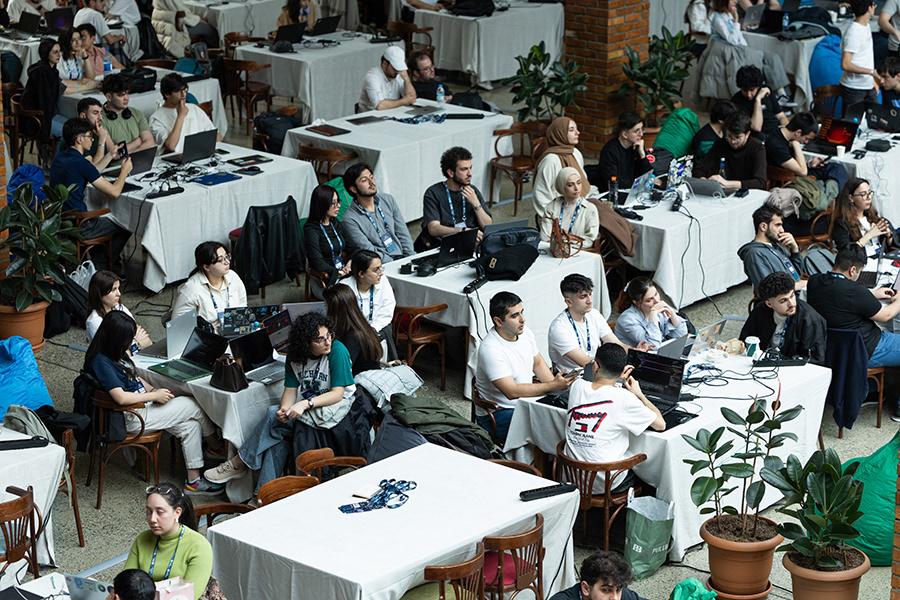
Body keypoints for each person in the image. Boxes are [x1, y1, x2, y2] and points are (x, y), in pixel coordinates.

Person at [203, 313, 372, 490]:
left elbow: (337, 394)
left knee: (273, 419)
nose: (327, 342)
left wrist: (305, 404)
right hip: (313, 410)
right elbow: (290, 390)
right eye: (319, 340)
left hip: (339, 413)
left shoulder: (337, 351)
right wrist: (284, 409)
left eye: (329, 335)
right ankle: (264, 495)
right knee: (278, 434)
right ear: (305, 343)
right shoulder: (295, 355)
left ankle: (239, 463)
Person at [85, 311, 225, 495]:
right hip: (131, 415)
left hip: (140, 407)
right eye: (128, 338)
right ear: (116, 338)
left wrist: (153, 391)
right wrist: (153, 396)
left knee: (190, 425)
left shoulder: (114, 352)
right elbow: (121, 397)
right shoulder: (101, 362)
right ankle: (216, 448)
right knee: (194, 405)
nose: (131, 342)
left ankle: (193, 481)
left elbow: (134, 378)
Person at [807, 243, 900, 421]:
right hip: (865, 349)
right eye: (859, 272)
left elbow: (838, 296)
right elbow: (886, 315)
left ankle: (870, 390)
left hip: (832, 349)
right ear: (852, 270)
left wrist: (871, 294)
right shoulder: (855, 290)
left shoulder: (814, 281)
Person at [475, 291, 579, 438]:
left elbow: (537, 363)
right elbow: (511, 392)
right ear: (498, 321)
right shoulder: (490, 349)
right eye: (514, 316)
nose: (522, 319)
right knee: (557, 425)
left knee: (572, 410)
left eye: (522, 312)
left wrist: (557, 388)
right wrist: (552, 386)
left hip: (525, 402)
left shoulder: (525, 333)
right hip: (498, 414)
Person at [565, 343, 665, 494]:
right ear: (623, 371)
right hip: (606, 483)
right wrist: (639, 394)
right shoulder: (625, 398)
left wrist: (616, 379)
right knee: (645, 474)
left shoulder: (576, 386)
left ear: (595, 367)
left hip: (572, 476)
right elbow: (660, 425)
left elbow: (601, 388)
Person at [49, 118, 133, 271]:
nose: (92, 140)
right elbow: (114, 192)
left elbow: (90, 172)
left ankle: (98, 265)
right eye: (90, 136)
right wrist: (124, 171)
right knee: (125, 223)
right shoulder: (81, 163)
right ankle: (101, 265)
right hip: (81, 225)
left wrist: (110, 154)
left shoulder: (59, 158)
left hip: (61, 221)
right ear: (79, 139)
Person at [124, 483, 212, 600]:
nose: (152, 519)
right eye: (148, 511)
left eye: (160, 512)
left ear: (177, 513)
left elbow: (189, 596)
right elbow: (125, 584)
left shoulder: (199, 546)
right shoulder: (143, 538)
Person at [548, 274, 648, 373]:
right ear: (569, 302)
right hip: (572, 377)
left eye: (590, 294)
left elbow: (616, 343)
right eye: (583, 297)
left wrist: (635, 351)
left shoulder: (594, 314)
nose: (589, 301)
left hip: (599, 371)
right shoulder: (559, 328)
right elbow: (586, 362)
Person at [710, 0, 793, 107]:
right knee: (762, 62)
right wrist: (736, 20)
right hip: (733, 52)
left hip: (743, 50)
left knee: (772, 57)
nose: (736, 1)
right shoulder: (718, 19)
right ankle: (768, 99)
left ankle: (781, 94)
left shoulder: (728, 16)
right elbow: (733, 39)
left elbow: (740, 39)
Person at [741, 271, 827, 363]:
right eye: (783, 301)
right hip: (762, 362)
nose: (791, 304)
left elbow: (815, 360)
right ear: (769, 304)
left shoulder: (810, 320)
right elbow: (745, 341)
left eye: (792, 296)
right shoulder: (761, 310)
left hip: (793, 367)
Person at [341, 163, 415, 262]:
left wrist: (411, 258)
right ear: (353, 189)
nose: (371, 182)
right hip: (380, 265)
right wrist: (395, 264)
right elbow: (368, 250)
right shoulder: (349, 220)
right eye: (364, 180)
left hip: (402, 257)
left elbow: (403, 233)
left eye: (371, 177)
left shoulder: (387, 199)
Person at [422, 146, 493, 245]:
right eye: (464, 169)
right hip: (445, 245)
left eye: (470, 168)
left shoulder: (472, 191)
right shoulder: (433, 193)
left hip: (473, 244)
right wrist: (463, 231)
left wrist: (476, 204)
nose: (470, 173)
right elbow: (434, 229)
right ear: (451, 173)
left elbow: (487, 226)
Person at [171, 242, 248, 327]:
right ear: (206, 267)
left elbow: (242, 305)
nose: (227, 262)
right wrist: (214, 329)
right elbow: (176, 325)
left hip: (234, 329)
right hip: (207, 334)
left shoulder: (233, 277)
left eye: (227, 257)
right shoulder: (192, 289)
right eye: (220, 260)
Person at [532, 116, 598, 215]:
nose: (577, 132)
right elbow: (541, 195)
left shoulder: (575, 153)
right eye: (571, 130)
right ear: (560, 134)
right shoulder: (550, 160)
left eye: (576, 129)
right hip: (560, 213)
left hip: (581, 205)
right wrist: (557, 217)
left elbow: (582, 182)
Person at [738, 204, 805, 292]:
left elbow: (797, 274)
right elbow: (768, 290)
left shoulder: (776, 246)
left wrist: (794, 249)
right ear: (763, 227)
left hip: (798, 293)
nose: (782, 230)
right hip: (788, 298)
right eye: (777, 225)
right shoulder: (754, 254)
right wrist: (799, 285)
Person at [693, 111, 767, 189]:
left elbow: (760, 182)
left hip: (746, 191)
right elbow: (699, 169)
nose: (732, 142)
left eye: (737, 138)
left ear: (747, 134)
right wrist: (705, 182)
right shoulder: (721, 143)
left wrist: (727, 183)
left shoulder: (757, 148)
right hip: (722, 190)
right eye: (729, 136)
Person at [148, 73, 219, 153]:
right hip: (175, 158)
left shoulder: (194, 108)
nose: (183, 94)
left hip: (201, 153)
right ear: (167, 94)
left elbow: (216, 136)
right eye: (178, 91)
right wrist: (181, 116)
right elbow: (171, 146)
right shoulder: (156, 119)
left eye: (184, 89)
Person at [323, 283, 384, 374]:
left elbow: (342, 368)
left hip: (361, 380)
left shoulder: (351, 337)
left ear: (333, 309)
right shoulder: (361, 326)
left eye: (325, 305)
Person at [829, 177, 898, 253]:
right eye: (863, 194)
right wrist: (870, 235)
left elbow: (893, 247)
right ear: (851, 198)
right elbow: (846, 252)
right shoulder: (841, 224)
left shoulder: (873, 217)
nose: (869, 198)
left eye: (869, 193)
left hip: (882, 258)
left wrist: (888, 235)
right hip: (863, 260)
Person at [614, 277, 688, 349]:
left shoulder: (657, 310)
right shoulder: (628, 320)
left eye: (656, 294)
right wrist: (653, 317)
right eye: (649, 300)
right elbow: (653, 346)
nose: (657, 301)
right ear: (637, 303)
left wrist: (672, 313)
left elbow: (682, 335)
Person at [85, 270, 151, 351]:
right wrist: (136, 343)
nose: (119, 294)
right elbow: (111, 352)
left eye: (118, 288)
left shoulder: (118, 307)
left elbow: (142, 336)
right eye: (113, 290)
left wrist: (131, 345)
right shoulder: (94, 321)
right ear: (100, 293)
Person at [349, 249, 396, 359]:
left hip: (377, 329)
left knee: (384, 333)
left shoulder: (383, 281)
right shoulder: (345, 288)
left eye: (381, 268)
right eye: (376, 270)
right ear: (361, 274)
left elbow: (387, 310)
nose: (381, 273)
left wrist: (373, 329)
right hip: (354, 333)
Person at [21, 39, 66, 154]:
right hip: (36, 119)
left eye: (59, 51)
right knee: (67, 132)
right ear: (46, 54)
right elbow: (43, 103)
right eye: (55, 52)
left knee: (74, 126)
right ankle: (55, 163)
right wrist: (44, 137)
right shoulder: (42, 73)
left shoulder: (50, 70)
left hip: (47, 115)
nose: (59, 55)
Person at [304, 183, 351, 293]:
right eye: (333, 203)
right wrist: (337, 272)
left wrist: (349, 264)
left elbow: (351, 245)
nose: (338, 206)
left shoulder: (334, 222)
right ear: (322, 204)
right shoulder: (311, 229)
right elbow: (318, 263)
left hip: (341, 272)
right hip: (324, 279)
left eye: (338, 201)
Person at [549, 550, 649, 600]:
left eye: (618, 589)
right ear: (586, 588)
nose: (615, 598)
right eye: (606, 590)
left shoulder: (622, 595)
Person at [539, 167, 600, 247]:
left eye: (579, 183)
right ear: (562, 187)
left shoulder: (590, 209)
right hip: (554, 251)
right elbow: (545, 238)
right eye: (570, 185)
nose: (576, 188)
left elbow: (589, 240)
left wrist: (565, 245)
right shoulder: (551, 207)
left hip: (579, 252)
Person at [101, 74, 156, 159]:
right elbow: (114, 154)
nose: (126, 98)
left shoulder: (136, 113)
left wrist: (127, 155)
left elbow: (150, 144)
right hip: (118, 166)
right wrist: (137, 142)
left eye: (127, 93)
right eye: (121, 95)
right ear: (109, 97)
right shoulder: (100, 119)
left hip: (140, 163)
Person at [730, 65, 789, 140]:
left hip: (776, 131)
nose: (748, 95)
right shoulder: (736, 101)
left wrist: (787, 131)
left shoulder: (766, 90)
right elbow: (756, 127)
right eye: (745, 90)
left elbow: (781, 116)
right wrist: (758, 99)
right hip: (760, 137)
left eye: (752, 90)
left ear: (758, 86)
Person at [597, 111, 651, 193]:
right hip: (613, 194)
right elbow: (613, 182)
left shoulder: (638, 145)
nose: (641, 134)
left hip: (634, 191)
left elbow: (649, 175)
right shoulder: (610, 151)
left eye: (642, 129)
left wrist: (642, 155)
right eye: (637, 131)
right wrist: (639, 182)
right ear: (625, 135)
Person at [841, 0, 880, 110]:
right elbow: (845, 64)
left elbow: (864, 58)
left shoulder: (865, 26)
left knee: (875, 117)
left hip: (867, 85)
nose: (874, 7)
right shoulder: (854, 32)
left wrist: (871, 81)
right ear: (869, 8)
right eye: (874, 5)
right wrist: (871, 72)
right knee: (853, 121)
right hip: (853, 88)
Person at [764, 112, 825, 176]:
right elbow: (803, 172)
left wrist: (810, 163)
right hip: (785, 177)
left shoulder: (784, 135)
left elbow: (796, 163)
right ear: (798, 132)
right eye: (806, 138)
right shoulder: (776, 144)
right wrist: (796, 145)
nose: (806, 142)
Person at [358, 46, 416, 112]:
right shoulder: (372, 76)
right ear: (384, 63)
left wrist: (406, 79)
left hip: (391, 114)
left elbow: (412, 98)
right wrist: (403, 101)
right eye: (394, 68)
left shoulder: (398, 74)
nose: (397, 71)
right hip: (370, 116)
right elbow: (379, 106)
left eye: (399, 68)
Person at [152, 0, 218, 55]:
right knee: (210, 30)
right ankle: (213, 56)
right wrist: (197, 19)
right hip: (176, 28)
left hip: (162, 25)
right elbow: (181, 12)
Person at [71, 97, 115, 170]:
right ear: (83, 116)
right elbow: (91, 171)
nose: (100, 118)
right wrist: (101, 140)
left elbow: (105, 163)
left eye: (101, 113)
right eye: (95, 113)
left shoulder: (97, 132)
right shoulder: (77, 136)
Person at [56, 27, 98, 93]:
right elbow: (57, 82)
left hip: (78, 91)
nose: (77, 42)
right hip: (63, 93)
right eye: (73, 40)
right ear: (66, 41)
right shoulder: (58, 57)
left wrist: (85, 57)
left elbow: (91, 78)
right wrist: (79, 82)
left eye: (79, 39)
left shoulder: (79, 57)